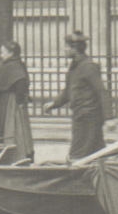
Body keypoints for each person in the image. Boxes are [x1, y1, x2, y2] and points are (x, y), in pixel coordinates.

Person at [47, 31, 110, 160]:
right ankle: (98, 176)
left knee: (78, 153)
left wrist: (109, 118)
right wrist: (54, 103)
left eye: (67, 47)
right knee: (94, 153)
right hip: (81, 116)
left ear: (75, 49)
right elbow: (68, 91)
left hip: (89, 117)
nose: (64, 50)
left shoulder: (88, 67)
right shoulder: (75, 66)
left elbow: (101, 91)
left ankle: (77, 178)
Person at [0, 40, 34, 162]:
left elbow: (21, 82)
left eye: (3, 52)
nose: (1, 55)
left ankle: (16, 155)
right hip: (11, 102)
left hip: (13, 103)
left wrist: (19, 101)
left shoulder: (12, 66)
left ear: (11, 53)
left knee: (14, 129)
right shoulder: (17, 64)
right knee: (17, 129)